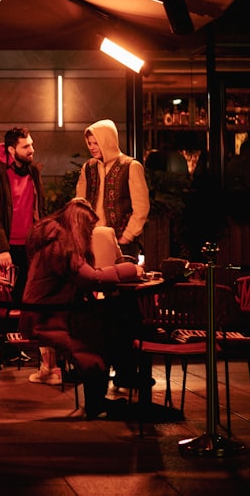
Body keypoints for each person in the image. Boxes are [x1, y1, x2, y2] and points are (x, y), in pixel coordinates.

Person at [20, 197, 145, 419]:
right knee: (110, 324)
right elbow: (91, 279)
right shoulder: (61, 246)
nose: (90, 234)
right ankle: (122, 379)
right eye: (89, 228)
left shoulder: (57, 240)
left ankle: (106, 393)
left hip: (53, 312)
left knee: (111, 319)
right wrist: (131, 269)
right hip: (48, 318)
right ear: (79, 225)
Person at [75, 118, 150, 390]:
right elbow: (79, 204)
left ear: (108, 140)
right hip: (94, 247)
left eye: (96, 142)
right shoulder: (88, 168)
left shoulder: (131, 166)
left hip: (123, 247)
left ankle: (127, 371)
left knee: (125, 310)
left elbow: (141, 207)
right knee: (97, 310)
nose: (92, 147)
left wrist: (124, 237)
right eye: (89, 143)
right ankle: (99, 368)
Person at [0, 126, 45, 364]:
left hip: (27, 246)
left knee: (21, 299)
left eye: (31, 145)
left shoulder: (32, 171)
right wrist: (1, 249)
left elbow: (39, 208)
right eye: (26, 146)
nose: (31, 150)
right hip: (3, 247)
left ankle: (15, 348)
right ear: (11, 149)